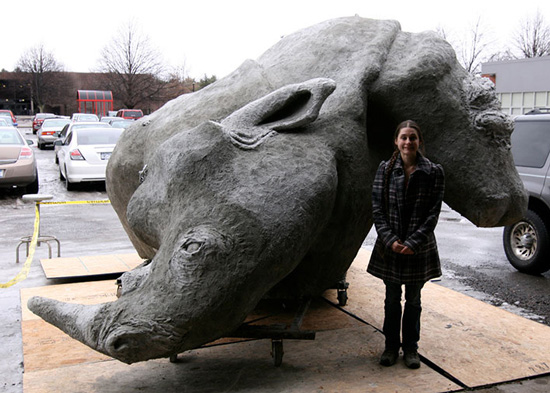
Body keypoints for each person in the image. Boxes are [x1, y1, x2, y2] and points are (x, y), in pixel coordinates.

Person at [367, 120, 445, 369]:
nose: (408, 142)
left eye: (413, 137)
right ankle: (391, 347)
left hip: (418, 249)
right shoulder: (385, 169)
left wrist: (413, 242)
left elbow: (433, 213)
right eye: (404, 137)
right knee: (391, 299)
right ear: (396, 141)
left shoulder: (434, 172)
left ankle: (411, 349)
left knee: (413, 301)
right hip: (391, 248)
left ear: (419, 141)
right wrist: (390, 240)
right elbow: (377, 209)